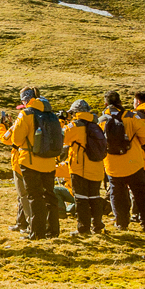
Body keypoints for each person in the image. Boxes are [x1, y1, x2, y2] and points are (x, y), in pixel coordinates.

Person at [100, 90, 145, 233]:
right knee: (140, 193)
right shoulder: (131, 117)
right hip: (133, 162)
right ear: (120, 102)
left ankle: (122, 222)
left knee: (117, 194)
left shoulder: (101, 120)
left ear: (106, 104)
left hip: (112, 164)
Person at [9, 87, 63, 239]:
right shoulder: (50, 113)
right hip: (50, 161)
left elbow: (16, 139)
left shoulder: (26, 114)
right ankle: (53, 230)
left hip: (31, 161)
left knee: (35, 197)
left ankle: (37, 232)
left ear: (26, 100)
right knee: (50, 196)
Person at [62, 100, 108, 236]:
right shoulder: (96, 124)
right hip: (97, 167)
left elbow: (62, 137)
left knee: (81, 199)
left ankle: (83, 228)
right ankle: (98, 226)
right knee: (95, 197)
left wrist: (62, 122)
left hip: (80, 168)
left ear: (76, 112)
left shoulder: (75, 125)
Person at [0, 110, 29, 234]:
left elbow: (5, 138)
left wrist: (2, 126)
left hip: (20, 161)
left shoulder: (19, 123)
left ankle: (29, 223)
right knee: (24, 195)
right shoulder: (36, 120)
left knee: (23, 194)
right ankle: (21, 222)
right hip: (34, 160)